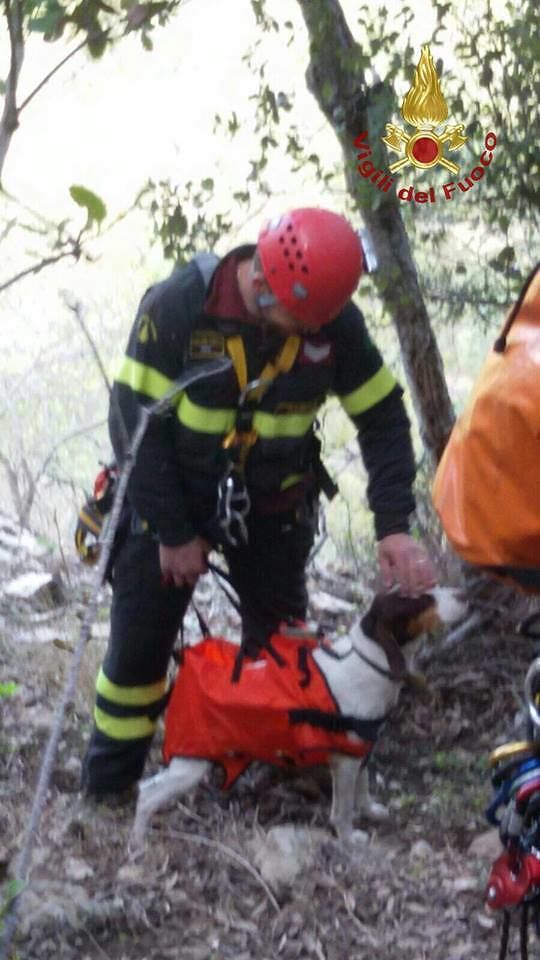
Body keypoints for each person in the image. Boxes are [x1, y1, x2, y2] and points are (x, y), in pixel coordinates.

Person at [81, 207, 436, 800]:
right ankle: (110, 792)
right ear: (262, 284)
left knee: (284, 652)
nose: (305, 334)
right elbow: (133, 427)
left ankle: (274, 757)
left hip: (272, 508)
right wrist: (171, 531)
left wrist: (394, 525)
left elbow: (381, 416)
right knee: (138, 650)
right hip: (172, 497)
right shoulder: (179, 308)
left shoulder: (330, 322)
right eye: (297, 320)